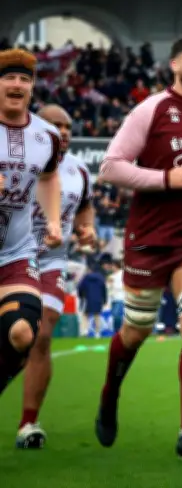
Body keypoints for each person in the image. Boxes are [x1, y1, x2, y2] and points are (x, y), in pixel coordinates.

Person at [93, 36, 182, 458]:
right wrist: (163, 179)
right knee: (135, 332)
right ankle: (110, 390)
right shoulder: (151, 109)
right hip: (150, 240)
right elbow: (110, 167)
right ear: (176, 64)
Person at [18, 102, 96, 447]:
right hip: (12, 256)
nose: (63, 132)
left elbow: (85, 206)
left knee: (43, 330)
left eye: (67, 127)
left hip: (51, 259)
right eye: (54, 125)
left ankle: (29, 423)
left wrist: (87, 229)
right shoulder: (18, 160)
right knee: (16, 334)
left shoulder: (79, 169)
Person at [0, 49, 63, 398]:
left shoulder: (47, 136)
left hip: (15, 253)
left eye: (24, 79)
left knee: (24, 334)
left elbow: (49, 177)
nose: (17, 84)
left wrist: (53, 221)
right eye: (9, 77)